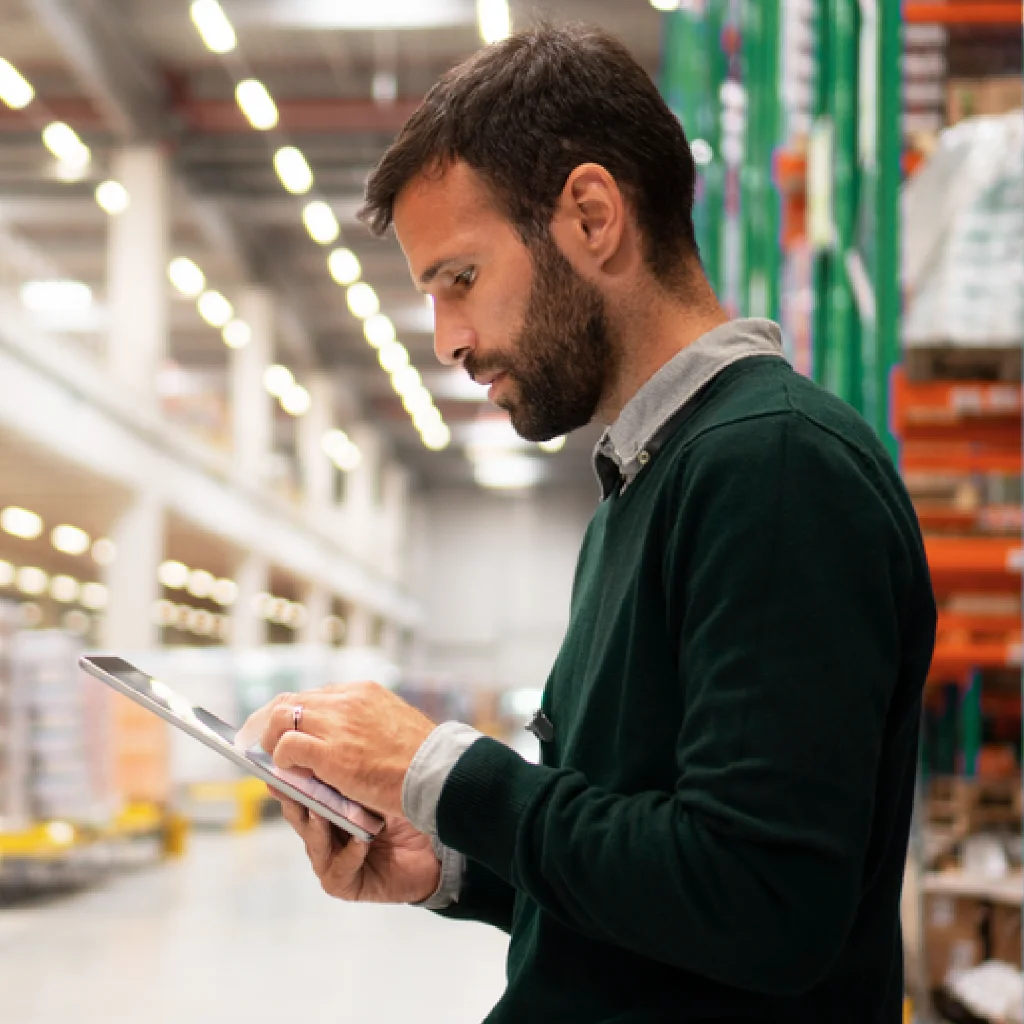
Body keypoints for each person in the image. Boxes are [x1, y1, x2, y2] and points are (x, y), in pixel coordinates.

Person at [242, 24, 936, 1024]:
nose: (448, 341)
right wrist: (450, 866)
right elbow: (647, 864)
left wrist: (437, 767)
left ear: (592, 215)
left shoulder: (772, 469)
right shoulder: (646, 485)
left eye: (461, 279)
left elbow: (764, 904)